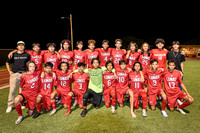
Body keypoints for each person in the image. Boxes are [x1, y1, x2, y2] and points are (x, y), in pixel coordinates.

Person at [6, 41, 30, 113]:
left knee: (22, 90)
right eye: (19, 45)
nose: (21, 46)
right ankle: (10, 105)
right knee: (12, 90)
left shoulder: (27, 55)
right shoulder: (13, 54)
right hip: (14, 74)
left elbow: (28, 64)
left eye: (22, 45)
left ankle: (22, 103)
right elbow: (7, 63)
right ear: (17, 47)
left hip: (23, 74)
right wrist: (9, 71)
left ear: (24, 47)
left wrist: (27, 71)